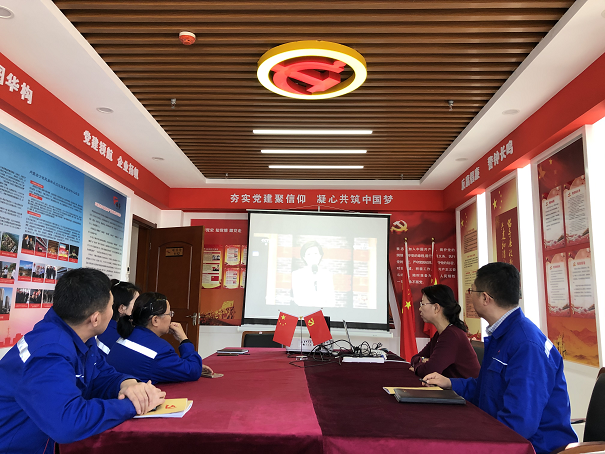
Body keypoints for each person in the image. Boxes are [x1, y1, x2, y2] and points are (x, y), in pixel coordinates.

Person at [0, 268, 165, 454]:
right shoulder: (49, 353)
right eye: (111, 306)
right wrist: (133, 405)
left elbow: (100, 374)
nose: (113, 312)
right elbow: (67, 422)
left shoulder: (79, 334)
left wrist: (129, 385)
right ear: (95, 318)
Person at [423, 262, 577, 454]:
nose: (469, 295)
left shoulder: (526, 345)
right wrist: (450, 383)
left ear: (485, 298)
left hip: (533, 447)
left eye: (472, 290)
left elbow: (519, 423)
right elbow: (487, 388)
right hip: (498, 433)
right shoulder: (504, 334)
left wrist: (473, 436)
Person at [107, 292, 211, 384]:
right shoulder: (160, 351)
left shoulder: (125, 336)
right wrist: (184, 339)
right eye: (169, 314)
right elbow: (193, 372)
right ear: (155, 320)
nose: (171, 317)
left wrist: (182, 366)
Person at [409, 284, 480, 379]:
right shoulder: (441, 333)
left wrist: (417, 367)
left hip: (465, 388)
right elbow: (414, 358)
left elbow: (428, 371)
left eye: (423, 304)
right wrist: (422, 360)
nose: (420, 308)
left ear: (436, 308)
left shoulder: (451, 335)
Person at [96, 280, 141, 357]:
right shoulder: (116, 336)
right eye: (136, 303)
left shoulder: (106, 326)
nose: (140, 307)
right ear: (122, 308)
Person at [291, 240, 336, 307]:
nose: (312, 257)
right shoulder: (297, 274)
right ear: (304, 257)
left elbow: (331, 300)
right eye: (309, 254)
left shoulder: (327, 275)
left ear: (320, 256)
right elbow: (298, 299)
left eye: (315, 253)